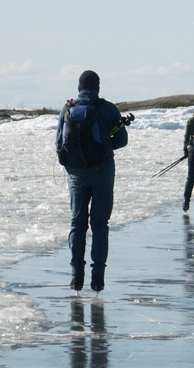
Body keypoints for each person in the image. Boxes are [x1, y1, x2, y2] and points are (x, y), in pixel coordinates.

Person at [55, 70, 128, 292]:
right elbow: (122, 140)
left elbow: (59, 143)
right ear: (98, 87)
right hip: (103, 172)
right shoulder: (108, 108)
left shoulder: (67, 109)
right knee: (99, 225)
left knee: (77, 223)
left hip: (76, 174)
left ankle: (76, 276)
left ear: (79, 87)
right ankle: (98, 277)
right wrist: (104, 149)